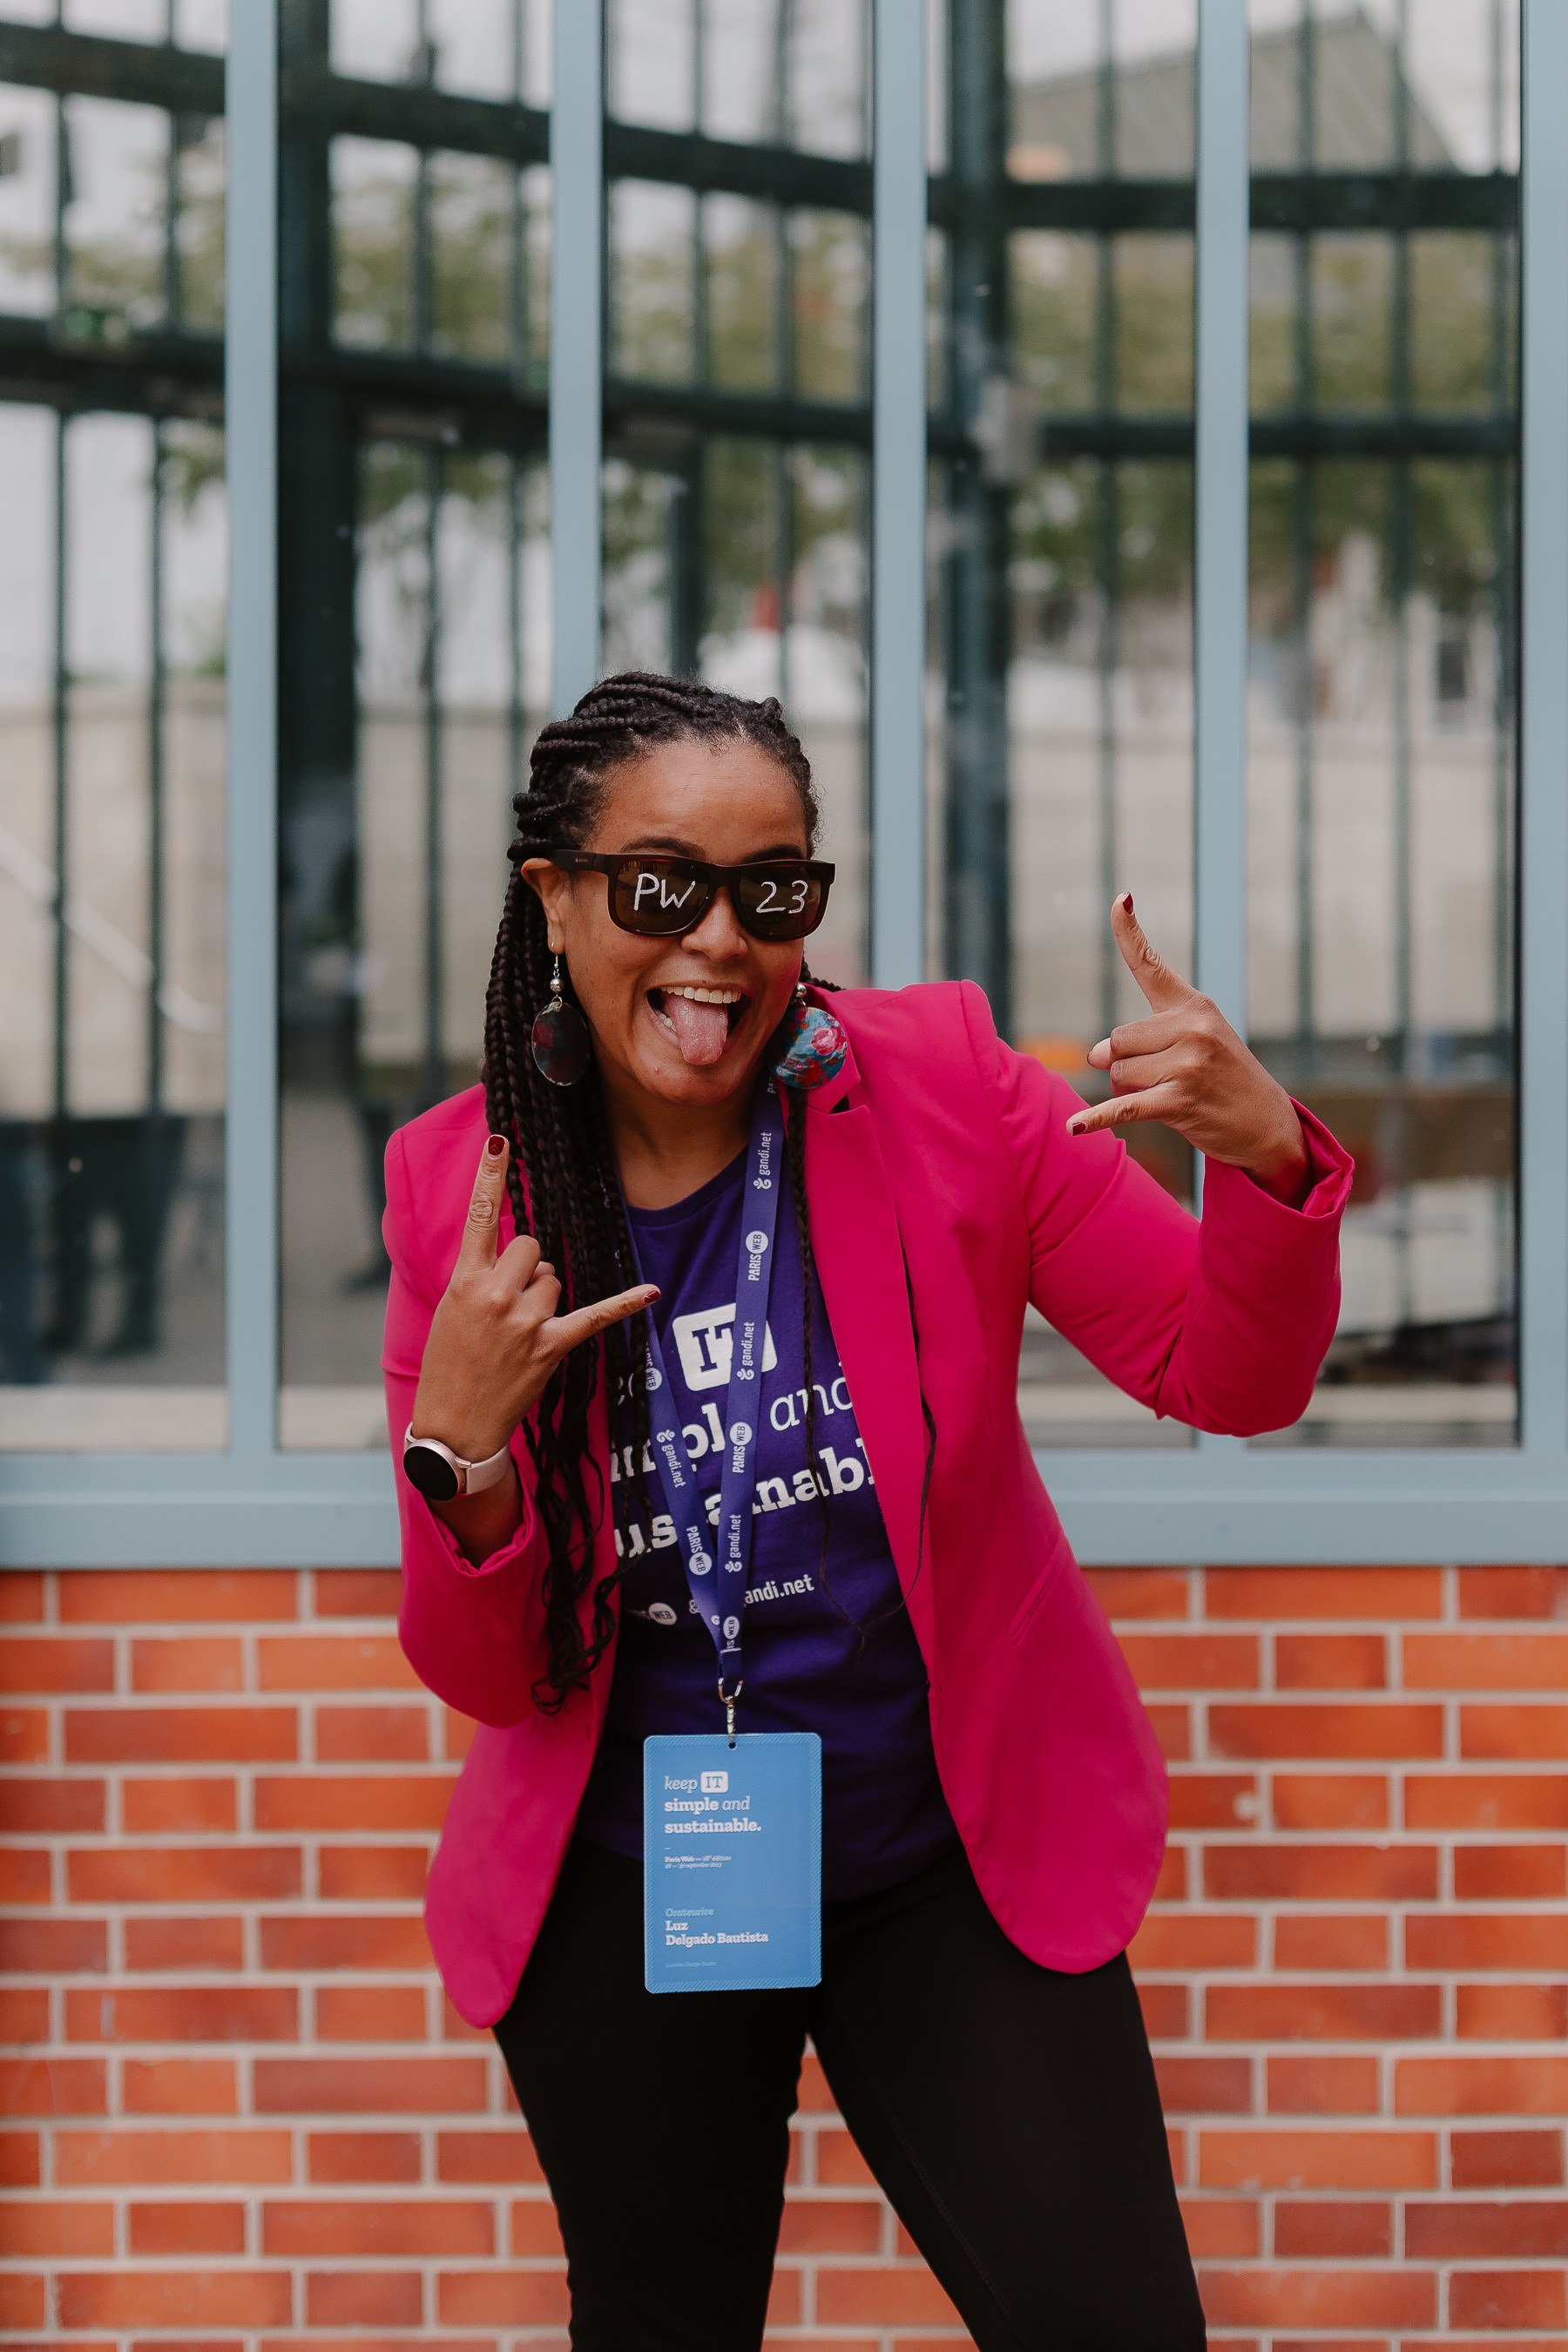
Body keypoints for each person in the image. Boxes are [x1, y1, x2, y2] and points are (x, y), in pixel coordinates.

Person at [382, 671, 1351, 2352]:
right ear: (553, 896)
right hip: (635, 1873)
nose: (720, 943)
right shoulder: (463, 1194)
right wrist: (463, 1453)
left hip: (944, 1856)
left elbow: (1224, 1373)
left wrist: (1270, 1163)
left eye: (775, 892)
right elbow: (485, 1674)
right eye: (661, 886)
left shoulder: (947, 1086)